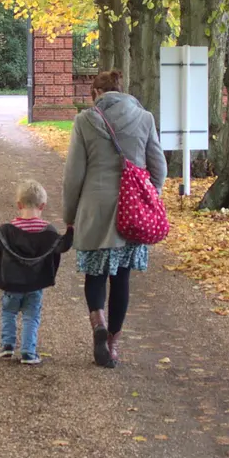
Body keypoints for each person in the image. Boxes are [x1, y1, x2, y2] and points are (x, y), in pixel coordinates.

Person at [62, 70, 165, 367]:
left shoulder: (85, 121)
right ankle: (113, 344)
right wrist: (148, 195)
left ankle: (98, 324)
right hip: (131, 211)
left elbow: (73, 176)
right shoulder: (144, 118)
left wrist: (70, 216)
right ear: (122, 91)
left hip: (94, 208)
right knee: (122, 279)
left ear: (95, 93)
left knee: (95, 274)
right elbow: (159, 168)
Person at [0, 180, 72, 366]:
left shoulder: (5, 231)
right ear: (42, 206)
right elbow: (61, 247)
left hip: (11, 282)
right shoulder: (49, 232)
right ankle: (28, 352)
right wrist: (70, 231)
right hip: (35, 284)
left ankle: (7, 345)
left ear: (19, 205)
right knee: (31, 316)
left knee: (8, 312)